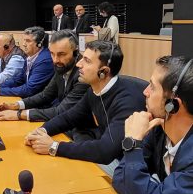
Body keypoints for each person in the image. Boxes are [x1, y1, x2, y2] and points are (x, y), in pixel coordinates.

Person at [25, 40, 147, 175]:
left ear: (104, 72)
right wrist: (41, 131)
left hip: (132, 167)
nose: (78, 64)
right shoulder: (94, 90)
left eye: (87, 61)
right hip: (113, 155)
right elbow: (69, 117)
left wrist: (54, 147)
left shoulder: (127, 101)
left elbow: (106, 151)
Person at [112, 56, 193, 194]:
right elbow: (120, 177)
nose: (144, 92)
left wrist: (132, 143)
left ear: (173, 104)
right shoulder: (160, 127)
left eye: (152, 87)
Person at [0, 29, 89, 122]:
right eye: (52, 53)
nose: (55, 60)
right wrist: (15, 105)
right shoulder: (62, 66)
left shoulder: (83, 75)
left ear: (75, 52)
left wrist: (19, 114)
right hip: (60, 120)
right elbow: (45, 95)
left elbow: (62, 111)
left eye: (61, 54)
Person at [0, 26, 54, 98]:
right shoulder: (30, 57)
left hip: (39, 104)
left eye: (28, 41)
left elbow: (29, 89)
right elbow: (18, 79)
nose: (24, 44)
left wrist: (0, 90)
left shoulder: (44, 61)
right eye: (24, 40)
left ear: (39, 43)